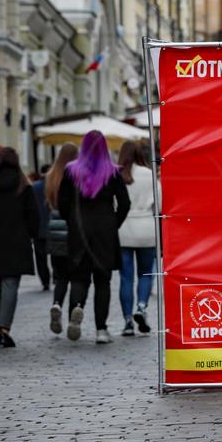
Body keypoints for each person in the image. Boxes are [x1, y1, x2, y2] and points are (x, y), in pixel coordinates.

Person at [58, 131, 130, 344]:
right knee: (103, 281)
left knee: (79, 277)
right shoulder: (113, 172)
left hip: (79, 229)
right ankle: (101, 329)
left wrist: (71, 220)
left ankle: (76, 309)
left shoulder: (71, 171)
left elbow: (62, 203)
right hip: (105, 231)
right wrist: (113, 223)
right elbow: (124, 204)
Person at [0, 147, 40, 347]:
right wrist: (30, 235)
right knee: (10, 285)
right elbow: (33, 217)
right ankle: (4, 327)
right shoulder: (24, 187)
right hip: (16, 242)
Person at [118, 141, 161, 336]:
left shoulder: (116, 175)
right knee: (145, 273)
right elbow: (159, 206)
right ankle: (141, 306)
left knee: (125, 277)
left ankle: (127, 321)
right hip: (146, 229)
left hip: (123, 229)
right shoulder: (149, 175)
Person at [45, 143, 79, 334]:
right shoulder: (77, 176)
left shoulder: (51, 176)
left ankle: (57, 303)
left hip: (55, 229)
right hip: (73, 228)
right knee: (76, 277)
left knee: (60, 277)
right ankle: (72, 318)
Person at [31, 165, 52, 290]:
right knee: (56, 252)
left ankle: (45, 280)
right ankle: (56, 276)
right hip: (54, 225)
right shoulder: (55, 184)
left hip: (38, 226)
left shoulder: (34, 186)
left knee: (40, 257)